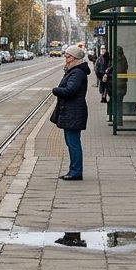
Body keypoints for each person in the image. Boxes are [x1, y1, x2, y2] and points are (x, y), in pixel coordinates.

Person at [51, 45, 91, 180]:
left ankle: (76, 171)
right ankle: (73, 170)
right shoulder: (73, 71)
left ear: (75, 58)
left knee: (73, 143)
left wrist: (56, 90)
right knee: (71, 142)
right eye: (66, 56)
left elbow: (70, 90)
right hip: (71, 111)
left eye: (68, 57)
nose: (66, 59)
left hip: (74, 111)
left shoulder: (77, 72)